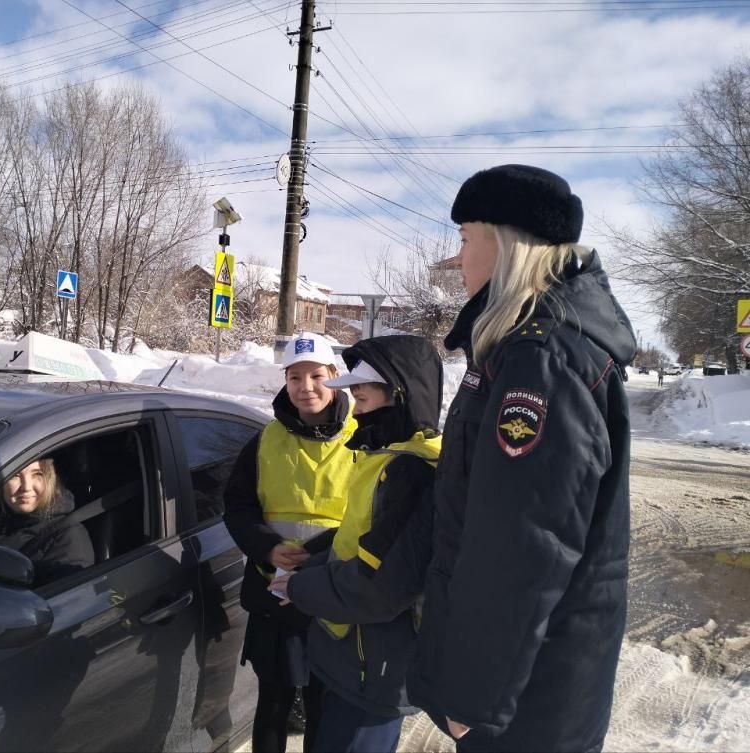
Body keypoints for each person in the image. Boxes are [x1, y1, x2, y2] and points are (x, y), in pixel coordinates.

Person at [406, 164, 635, 752]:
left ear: (506, 244)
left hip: (527, 701)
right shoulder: (531, 343)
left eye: (464, 239)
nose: (457, 259)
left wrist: (475, 695)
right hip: (538, 684)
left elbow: (524, 545)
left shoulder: (543, 357)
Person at [268, 335, 443, 753]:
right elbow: (358, 542)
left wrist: (297, 587)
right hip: (354, 658)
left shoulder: (412, 472)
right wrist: (310, 564)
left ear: (399, 398)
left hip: (374, 669)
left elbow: (377, 589)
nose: (357, 414)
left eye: (362, 402)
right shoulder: (391, 458)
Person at [223, 332, 359, 753]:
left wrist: (315, 558)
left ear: (334, 377)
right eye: (295, 377)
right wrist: (266, 547)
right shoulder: (265, 441)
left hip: (333, 596)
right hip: (273, 596)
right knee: (274, 704)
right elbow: (238, 506)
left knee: (324, 707)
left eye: (316, 376)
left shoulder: (363, 440)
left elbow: (372, 517)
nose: (306, 387)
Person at [0, 458, 95, 584]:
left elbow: (66, 600)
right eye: (15, 475)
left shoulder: (69, 536)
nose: (26, 487)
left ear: (50, 479)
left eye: (37, 474)